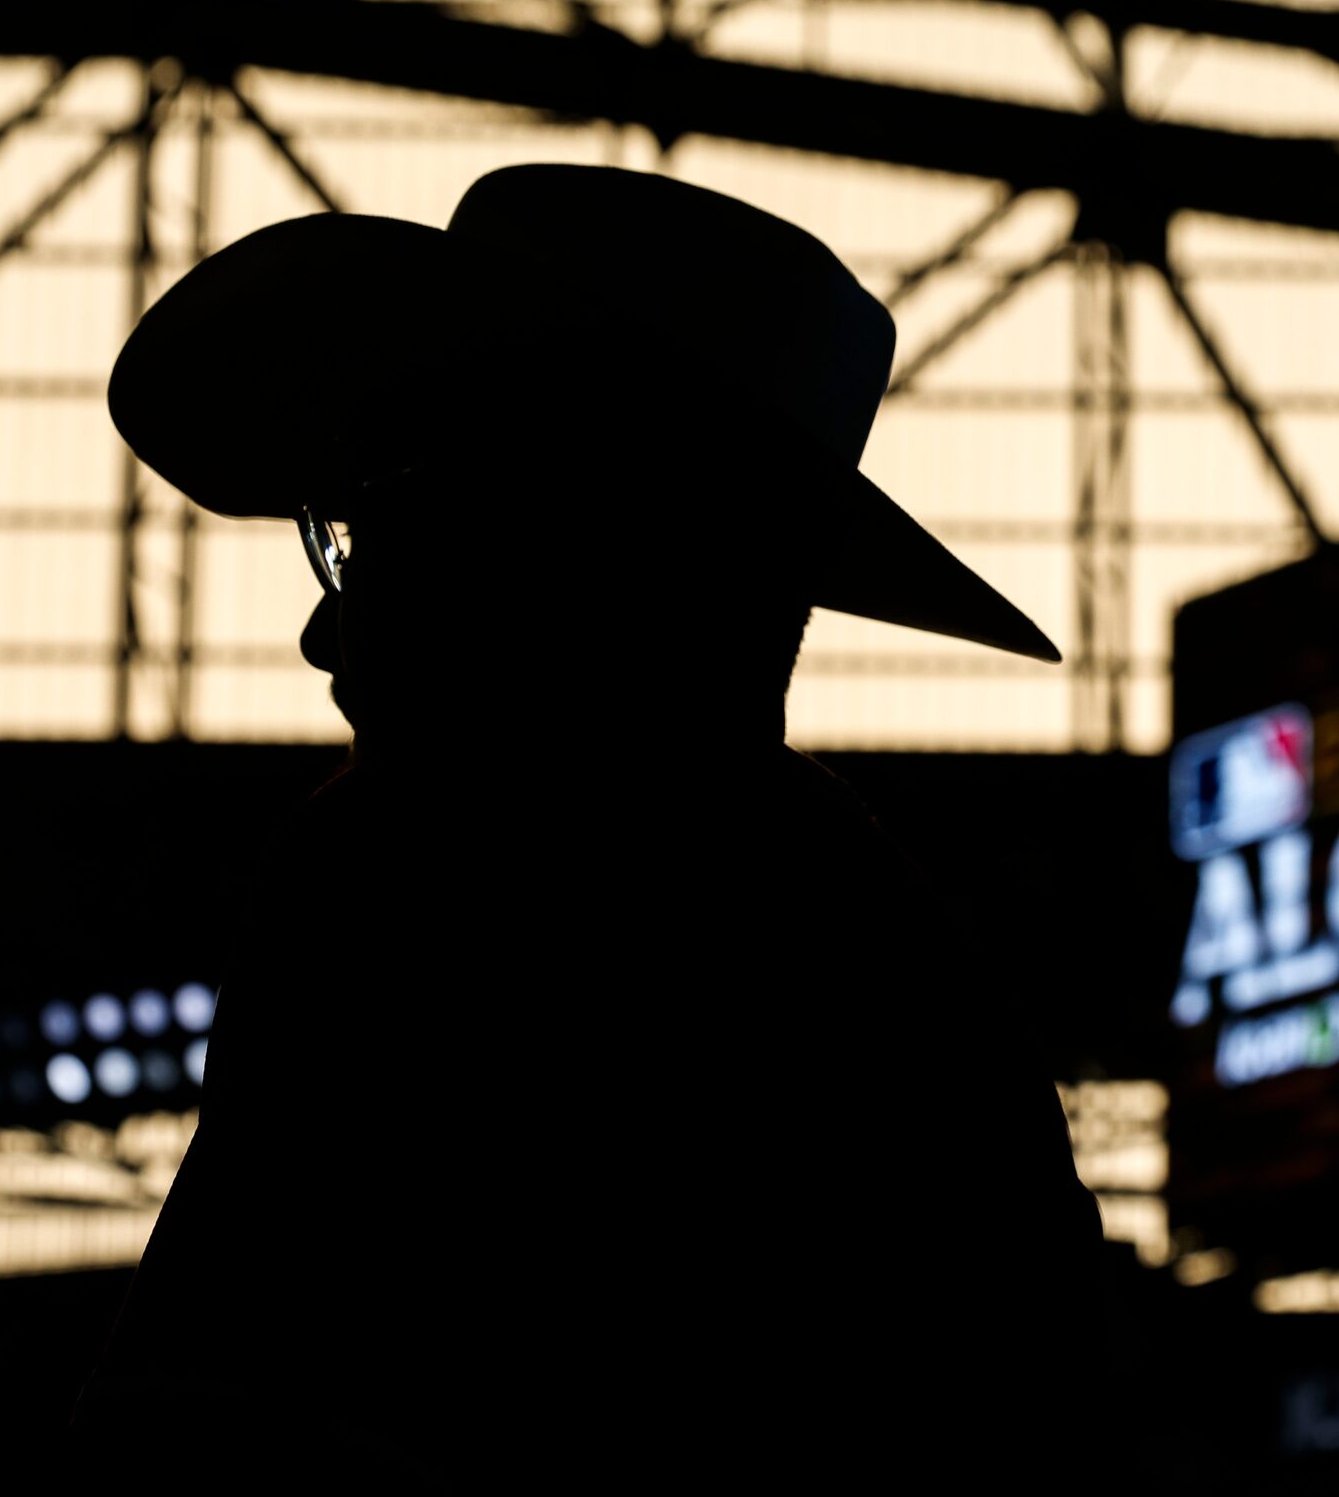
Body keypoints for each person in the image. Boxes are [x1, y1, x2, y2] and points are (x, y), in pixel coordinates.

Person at [80, 167, 1106, 1481]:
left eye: (383, 528)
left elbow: (194, 1447)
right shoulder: (911, 995)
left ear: (572, 543)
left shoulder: (390, 877)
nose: (328, 631)